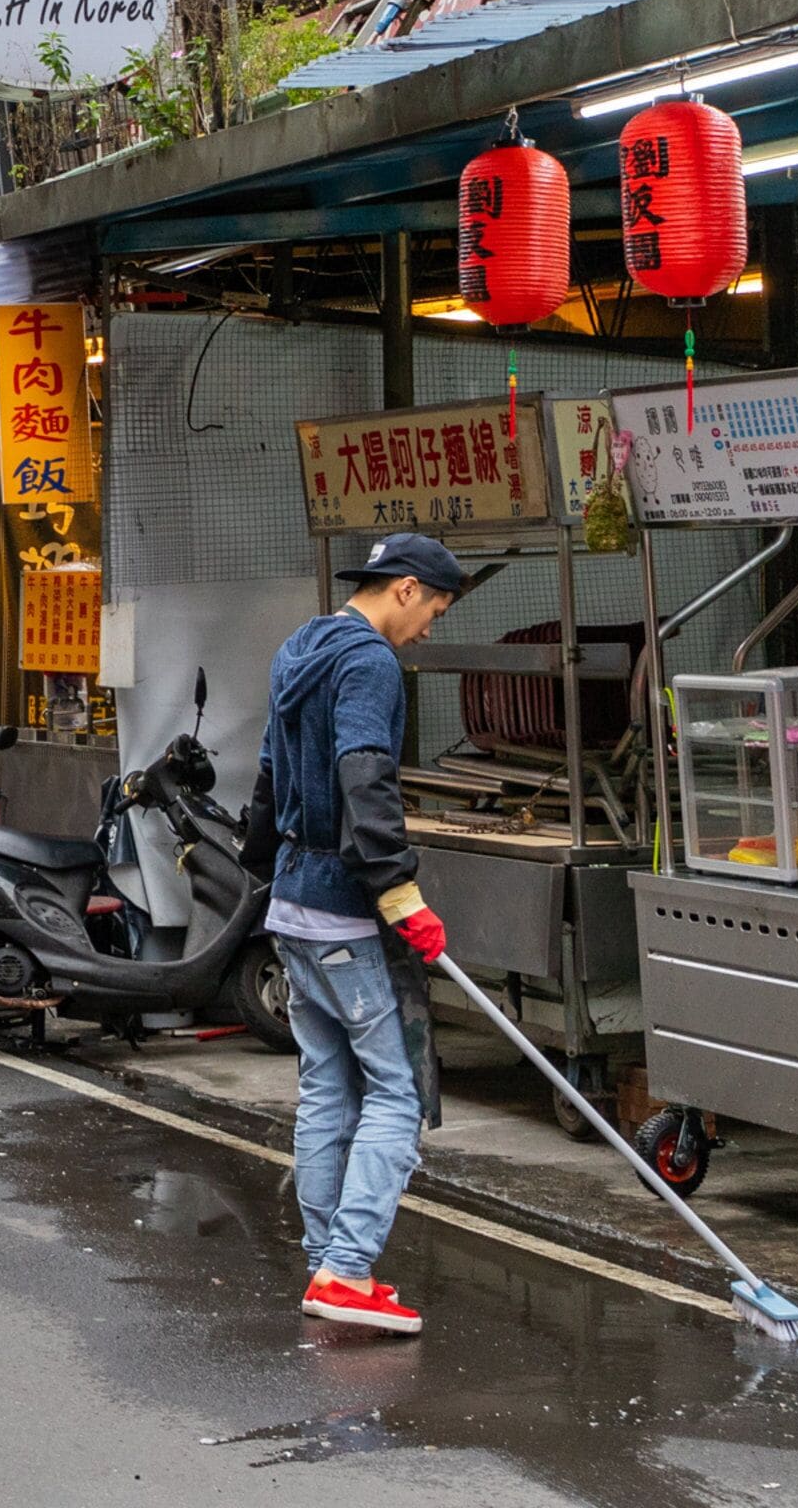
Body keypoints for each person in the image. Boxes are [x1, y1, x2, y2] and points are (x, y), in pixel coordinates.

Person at [256, 531, 460, 1336]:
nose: (429, 630)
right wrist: (398, 888)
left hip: (292, 902)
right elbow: (363, 772)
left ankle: (325, 1264)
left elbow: (271, 773)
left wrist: (262, 867)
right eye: (434, 610)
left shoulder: (298, 647)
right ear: (405, 589)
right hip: (343, 904)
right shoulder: (368, 662)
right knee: (396, 1093)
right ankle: (345, 1270)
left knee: (326, 1088)